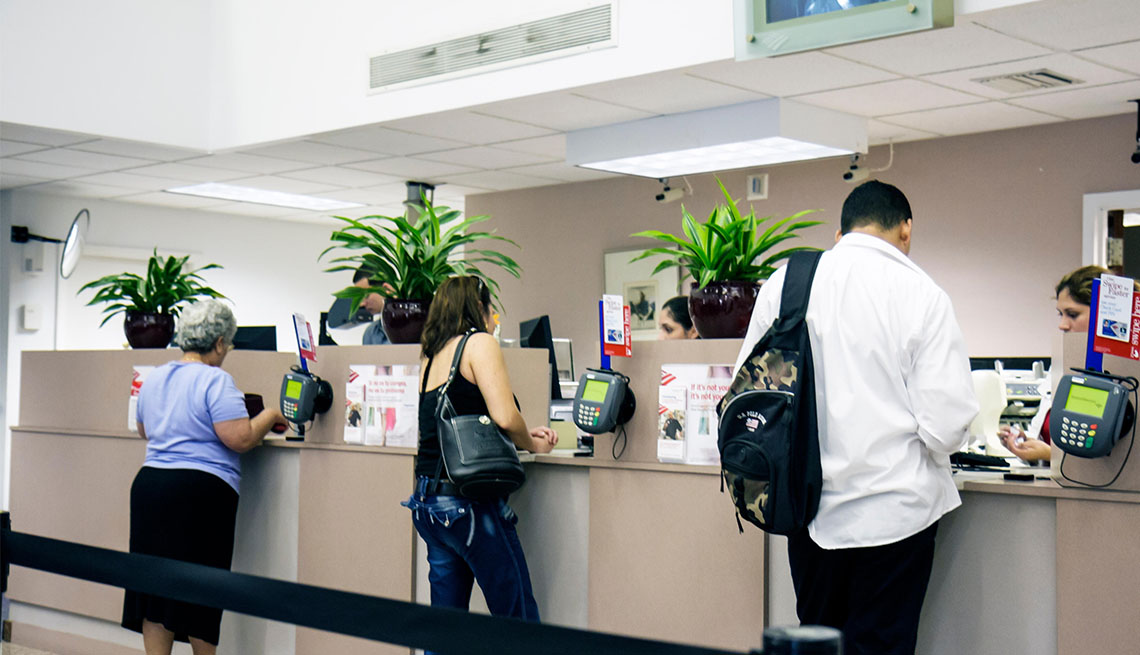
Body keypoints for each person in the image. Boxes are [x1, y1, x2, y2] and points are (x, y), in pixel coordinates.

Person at [730, 180, 977, 655]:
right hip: (894, 515)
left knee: (817, 642)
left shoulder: (788, 281)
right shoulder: (920, 293)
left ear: (839, 232)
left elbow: (749, 391)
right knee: (881, 646)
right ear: (906, 228)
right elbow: (946, 428)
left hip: (806, 509)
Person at [121, 299, 287, 655]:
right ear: (219, 343)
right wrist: (270, 414)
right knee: (204, 587)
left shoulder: (154, 377)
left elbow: (143, 429)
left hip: (150, 486)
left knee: (154, 587)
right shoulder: (216, 380)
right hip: (199, 493)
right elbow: (239, 437)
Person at [402, 276, 558, 630]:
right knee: (517, 622)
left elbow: (468, 414)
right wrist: (532, 443)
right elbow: (503, 414)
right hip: (468, 504)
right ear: (482, 309)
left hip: (428, 501)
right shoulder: (479, 343)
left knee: (446, 631)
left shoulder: (431, 354)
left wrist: (520, 434)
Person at [998, 265, 1114, 462]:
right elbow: (1046, 438)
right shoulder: (1062, 365)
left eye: (1073, 314)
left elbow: (1113, 459)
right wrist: (1025, 443)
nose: (1062, 324)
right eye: (1061, 314)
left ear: (1103, 315)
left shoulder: (1127, 373)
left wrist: (1050, 454)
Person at [354, 267, 391, 345]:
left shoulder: (416, 329)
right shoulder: (370, 333)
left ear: (386, 289)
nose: (361, 304)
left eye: (366, 295)